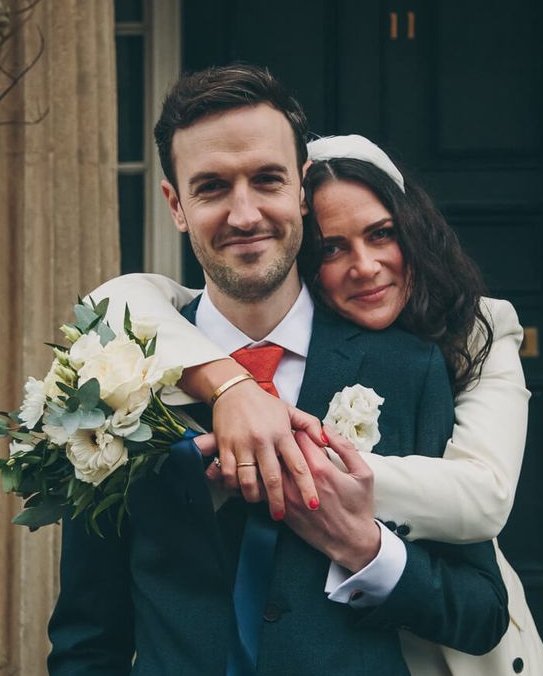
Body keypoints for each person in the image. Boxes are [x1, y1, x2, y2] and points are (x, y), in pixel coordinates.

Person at [47, 64, 508, 676]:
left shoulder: (410, 368)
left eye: (266, 180)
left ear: (302, 186)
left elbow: (480, 613)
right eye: (211, 187)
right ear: (175, 203)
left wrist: (366, 549)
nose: (244, 215)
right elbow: (87, 634)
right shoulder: (112, 376)